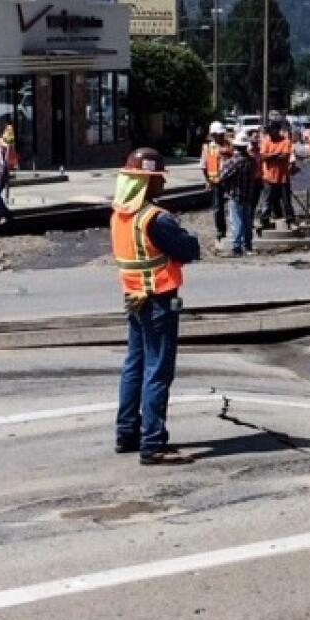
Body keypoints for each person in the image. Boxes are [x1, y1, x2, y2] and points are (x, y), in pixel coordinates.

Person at [111, 148, 201, 465]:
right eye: (158, 179)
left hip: (134, 298)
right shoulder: (156, 219)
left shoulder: (121, 215)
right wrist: (184, 235)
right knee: (158, 369)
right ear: (148, 182)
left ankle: (127, 433)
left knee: (134, 366)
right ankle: (153, 443)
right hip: (159, 300)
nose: (162, 185)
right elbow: (189, 249)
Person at [219, 132, 258, 255]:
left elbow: (223, 176)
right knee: (247, 221)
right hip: (248, 194)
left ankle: (237, 247)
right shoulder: (252, 161)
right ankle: (248, 246)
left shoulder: (234, 161)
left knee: (237, 221)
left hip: (236, 195)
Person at [258, 119, 297, 231]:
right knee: (267, 201)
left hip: (283, 177)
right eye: (269, 130)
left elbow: (284, 156)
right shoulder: (266, 141)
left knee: (286, 201)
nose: (270, 132)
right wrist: (276, 155)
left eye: (272, 130)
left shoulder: (285, 142)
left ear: (277, 130)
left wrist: (271, 156)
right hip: (269, 177)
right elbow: (263, 157)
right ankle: (264, 221)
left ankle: (290, 220)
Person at [200, 121, 231, 241]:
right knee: (218, 207)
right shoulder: (208, 148)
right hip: (216, 182)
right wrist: (208, 180)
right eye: (218, 134)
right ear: (213, 135)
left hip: (230, 180)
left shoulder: (230, 146)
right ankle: (221, 230)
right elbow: (204, 166)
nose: (221, 136)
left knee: (233, 206)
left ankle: (234, 229)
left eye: (222, 134)